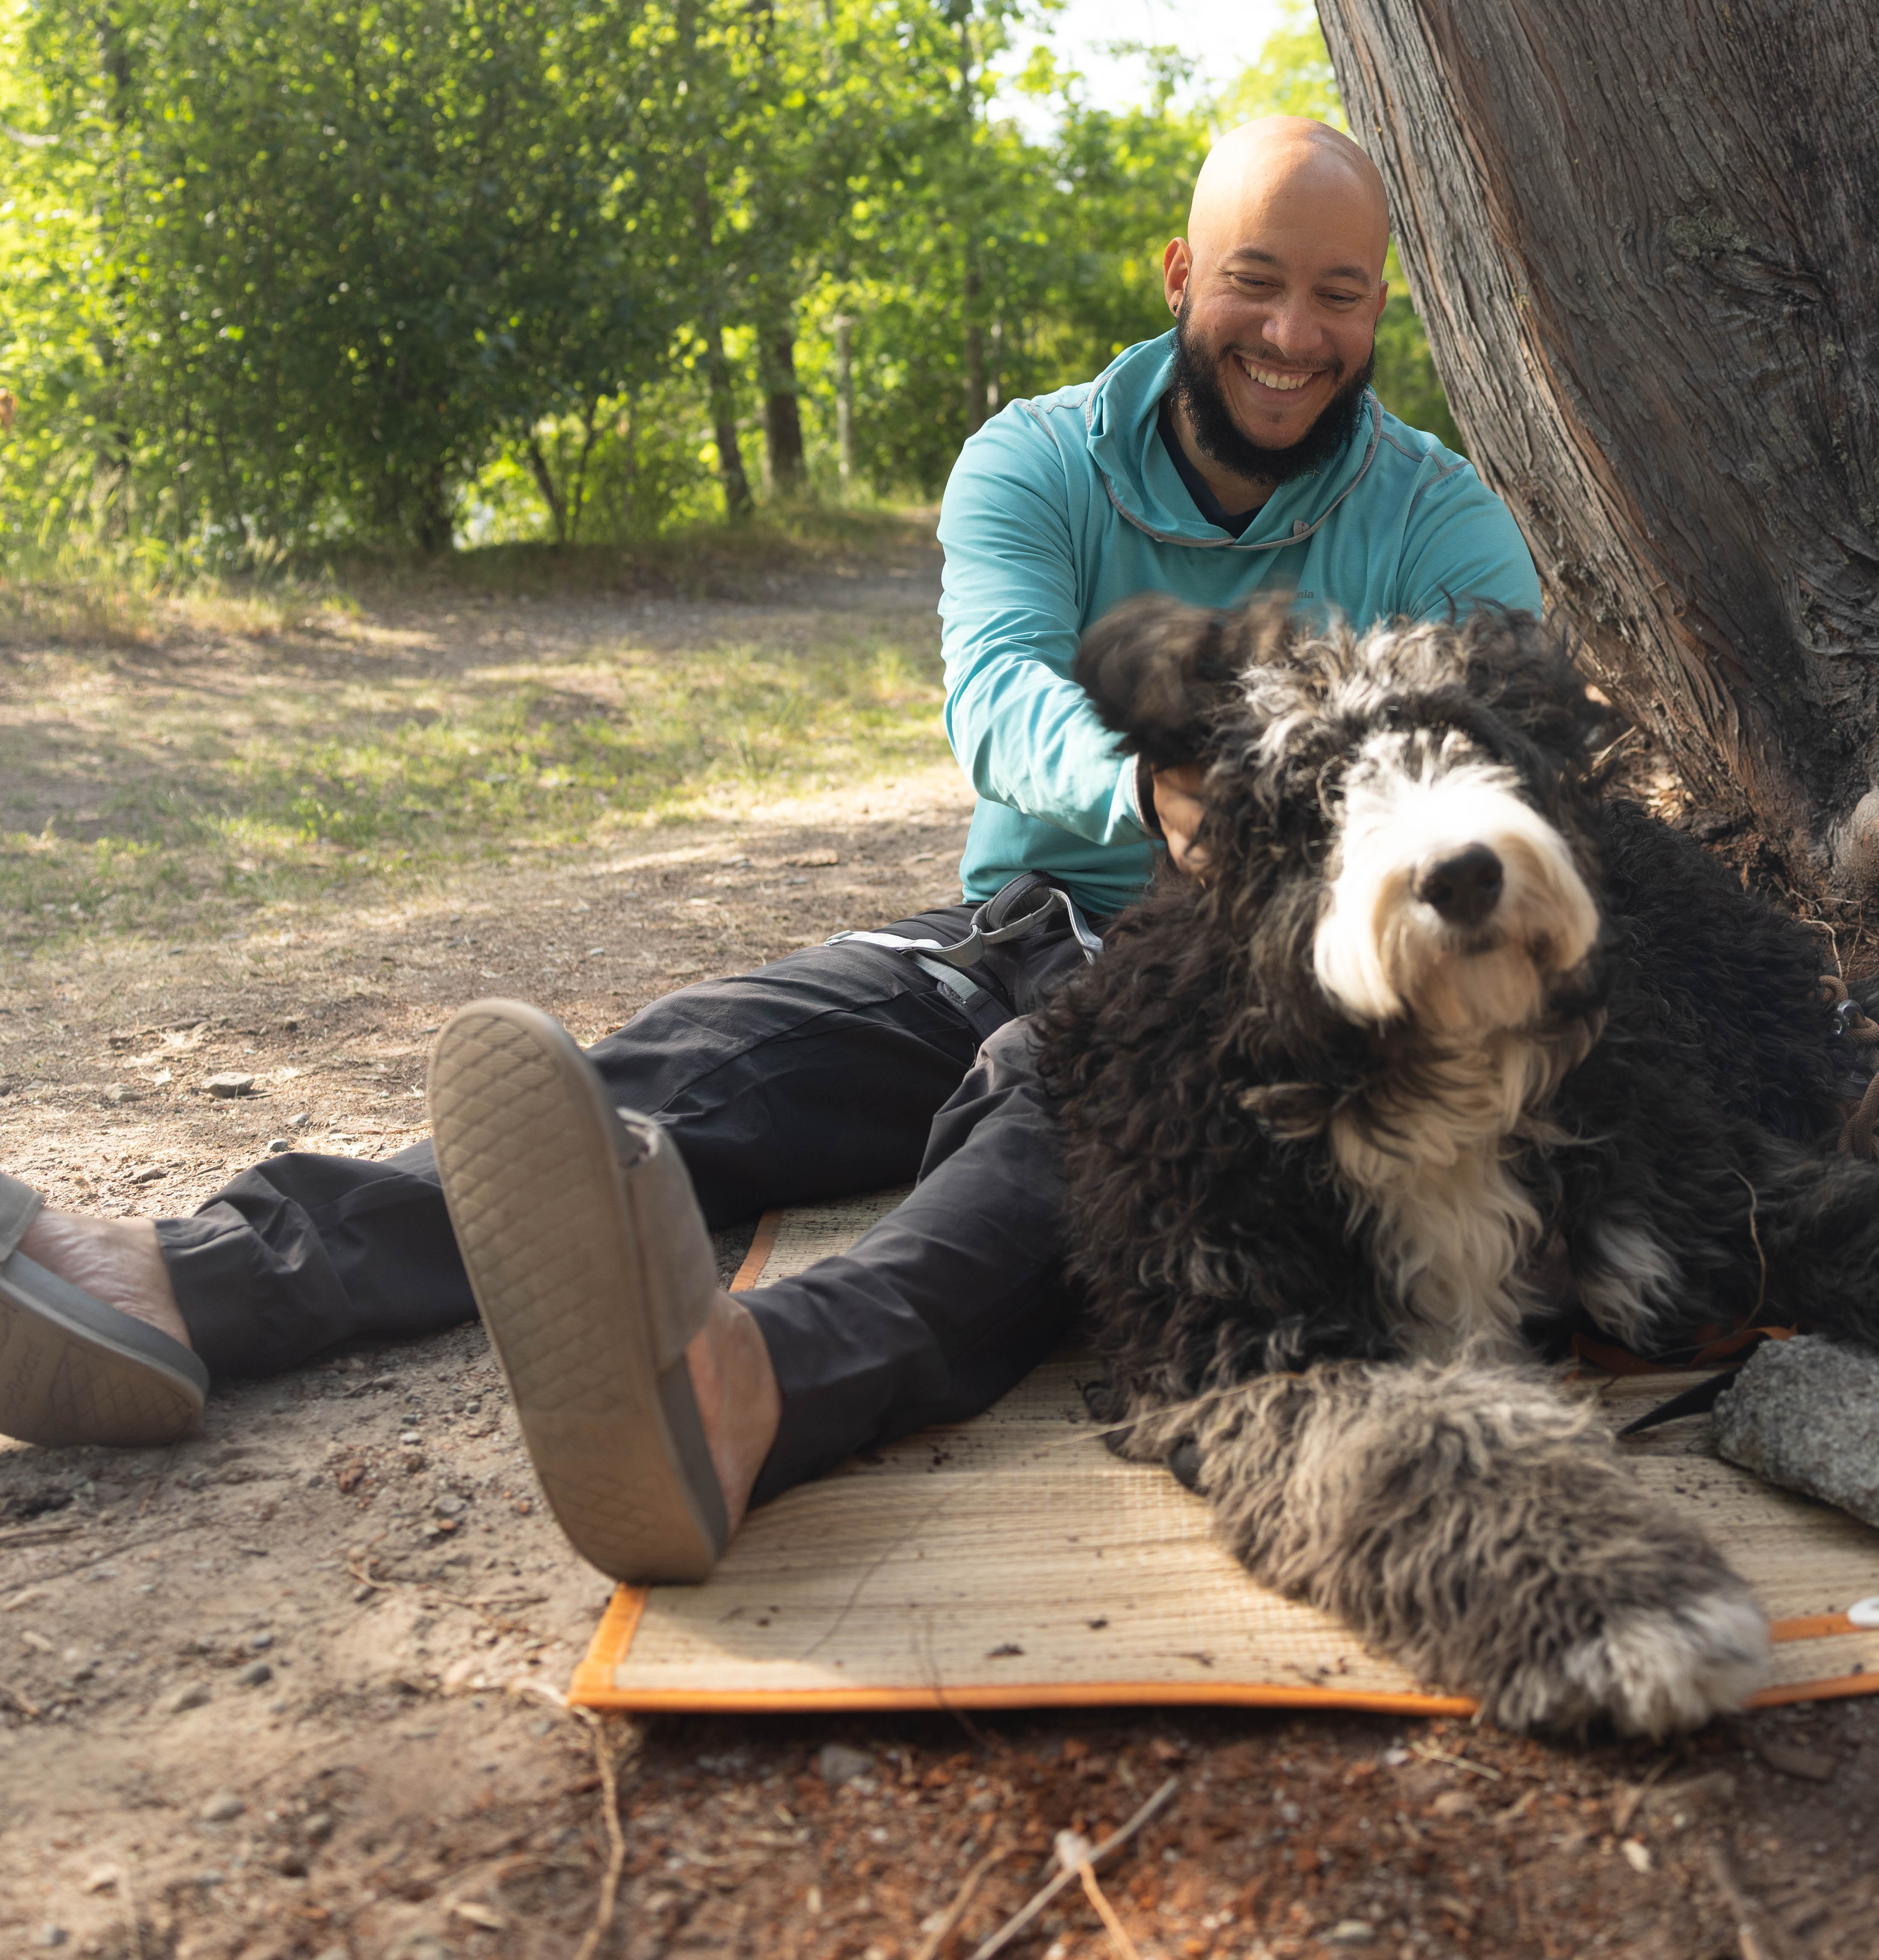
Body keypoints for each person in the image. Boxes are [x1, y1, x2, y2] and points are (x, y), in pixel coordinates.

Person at [0, 118, 1538, 1579]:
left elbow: (1499, 753)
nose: (1294, 334)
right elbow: (994, 688)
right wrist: (1144, 791)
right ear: (1179, 277)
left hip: (1266, 980)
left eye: (1340, 295)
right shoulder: (1037, 460)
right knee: (697, 1065)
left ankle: (745, 1399)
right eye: (1258, 282)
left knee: (1053, 1129)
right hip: (1014, 927)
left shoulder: (1438, 515)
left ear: (1380, 305)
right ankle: (190, 1280)